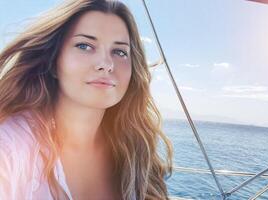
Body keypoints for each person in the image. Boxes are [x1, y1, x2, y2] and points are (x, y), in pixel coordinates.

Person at [0, 0, 173, 199]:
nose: (106, 64)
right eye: (85, 46)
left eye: (119, 52)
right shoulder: (10, 147)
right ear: (55, 61)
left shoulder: (135, 151)